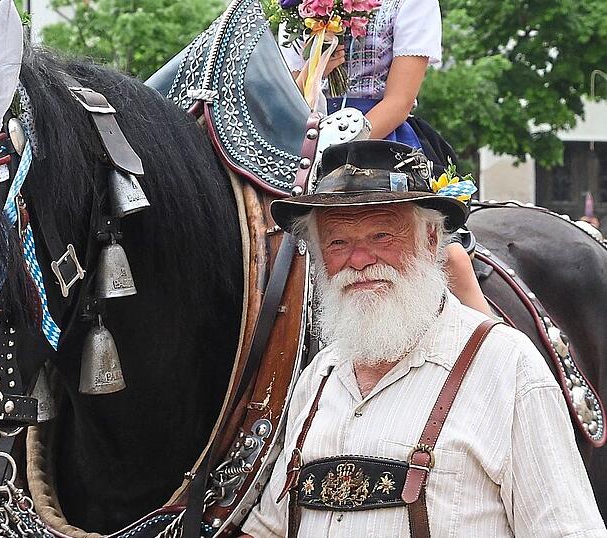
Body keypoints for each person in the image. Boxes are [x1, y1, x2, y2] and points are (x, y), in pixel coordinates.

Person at [240, 140, 606, 537]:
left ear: (432, 240)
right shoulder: (317, 377)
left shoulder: (509, 368)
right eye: (338, 242)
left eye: (382, 236)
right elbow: (269, 528)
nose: (359, 260)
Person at [284, 0, 493, 317]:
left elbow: (399, 101)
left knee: (452, 260)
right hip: (304, 142)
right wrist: (316, 71)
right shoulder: (295, 4)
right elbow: (286, 97)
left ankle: (496, 348)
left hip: (381, 141)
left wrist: (338, 152)